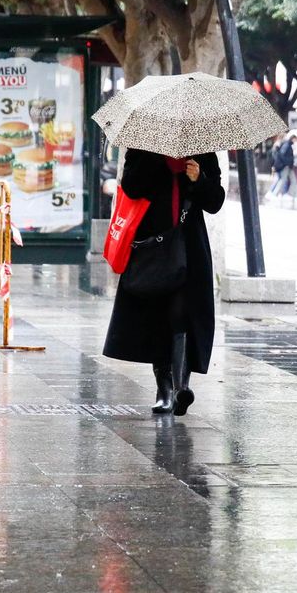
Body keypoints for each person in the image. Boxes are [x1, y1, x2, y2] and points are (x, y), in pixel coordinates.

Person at [102, 149, 224, 415]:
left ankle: (181, 387)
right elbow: (131, 187)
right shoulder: (143, 147)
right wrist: (156, 160)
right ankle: (164, 388)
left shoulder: (202, 151)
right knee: (158, 314)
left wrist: (199, 179)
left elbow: (215, 201)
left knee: (182, 313)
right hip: (153, 246)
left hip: (189, 247)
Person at [267, 133, 297, 201]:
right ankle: (275, 193)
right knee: (282, 180)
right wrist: (287, 163)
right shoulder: (286, 145)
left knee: (280, 179)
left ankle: (277, 193)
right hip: (283, 165)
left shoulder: (285, 144)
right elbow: (282, 155)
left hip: (282, 165)